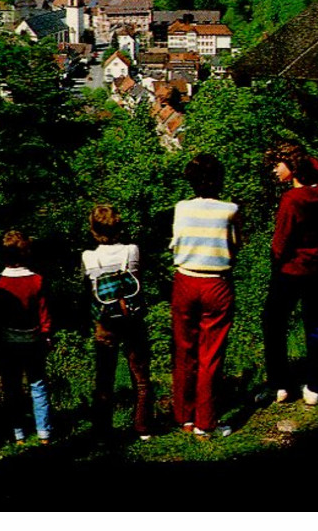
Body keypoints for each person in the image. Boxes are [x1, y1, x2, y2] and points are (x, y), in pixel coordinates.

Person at [168, 153, 241, 439]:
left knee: (184, 349)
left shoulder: (181, 208)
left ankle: (183, 415)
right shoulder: (230, 210)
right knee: (210, 354)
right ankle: (205, 421)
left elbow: (176, 243)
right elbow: (235, 245)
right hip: (216, 282)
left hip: (186, 279)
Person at [261, 140, 318, 407]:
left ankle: (281, 383)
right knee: (315, 323)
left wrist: (275, 263)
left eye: (278, 165)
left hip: (292, 270)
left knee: (273, 322)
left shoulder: (292, 201)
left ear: (292, 167)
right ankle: (315, 384)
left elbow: (280, 242)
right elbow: (315, 165)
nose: (274, 171)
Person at [81, 203, 152, 441]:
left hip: (104, 320)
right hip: (132, 317)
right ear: (119, 226)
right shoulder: (132, 250)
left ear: (93, 230)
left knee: (104, 377)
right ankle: (143, 426)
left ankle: (102, 429)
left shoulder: (89, 257)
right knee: (140, 375)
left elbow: (88, 290)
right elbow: (138, 280)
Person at [0, 230, 54, 445]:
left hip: (8, 342)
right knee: (38, 385)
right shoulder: (37, 280)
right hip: (33, 340)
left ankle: (18, 433)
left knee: (12, 387)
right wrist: (47, 334)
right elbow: (44, 312)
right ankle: (44, 433)